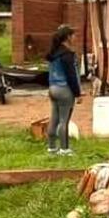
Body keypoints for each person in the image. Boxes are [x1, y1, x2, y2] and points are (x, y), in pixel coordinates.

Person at [46, 24, 82, 155]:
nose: (75, 37)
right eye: (73, 35)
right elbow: (72, 76)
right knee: (64, 121)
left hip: (52, 88)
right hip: (64, 90)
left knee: (54, 119)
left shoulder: (53, 53)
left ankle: (51, 147)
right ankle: (64, 149)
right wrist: (78, 93)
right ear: (68, 37)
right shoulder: (67, 54)